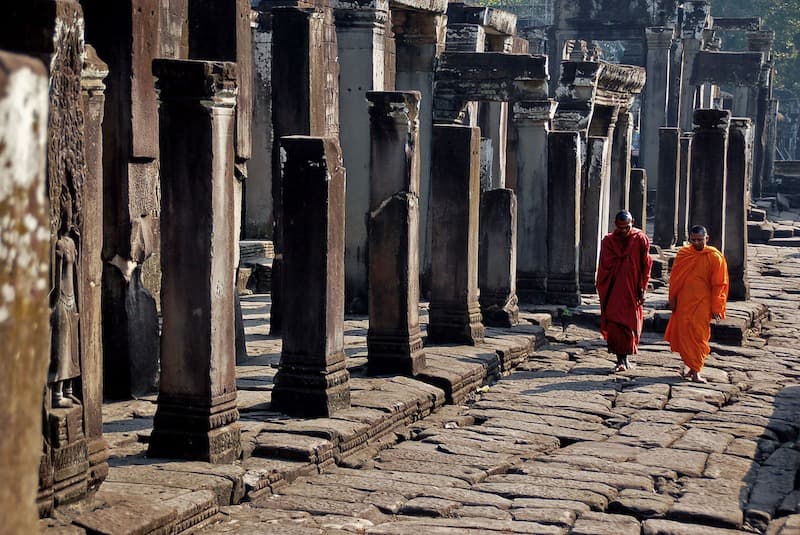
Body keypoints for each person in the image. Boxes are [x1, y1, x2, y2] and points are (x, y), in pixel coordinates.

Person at [665, 225, 729, 383]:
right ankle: (691, 367)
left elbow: (719, 284)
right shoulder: (684, 254)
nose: (696, 243)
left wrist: (717, 307)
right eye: (693, 240)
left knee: (699, 337)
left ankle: (696, 371)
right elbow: (675, 280)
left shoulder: (714, 256)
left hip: (702, 303)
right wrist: (672, 300)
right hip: (684, 302)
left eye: (700, 240)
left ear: (707, 239)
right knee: (685, 335)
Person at [596, 210, 653, 372]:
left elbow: (645, 265)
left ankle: (625, 359)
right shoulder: (608, 241)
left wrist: (643, 287)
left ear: (632, 222)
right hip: (613, 289)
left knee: (630, 324)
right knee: (615, 324)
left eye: (626, 227)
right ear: (615, 225)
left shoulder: (640, 239)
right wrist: (602, 286)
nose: (623, 231)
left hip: (632, 288)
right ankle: (620, 360)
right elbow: (603, 266)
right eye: (620, 228)